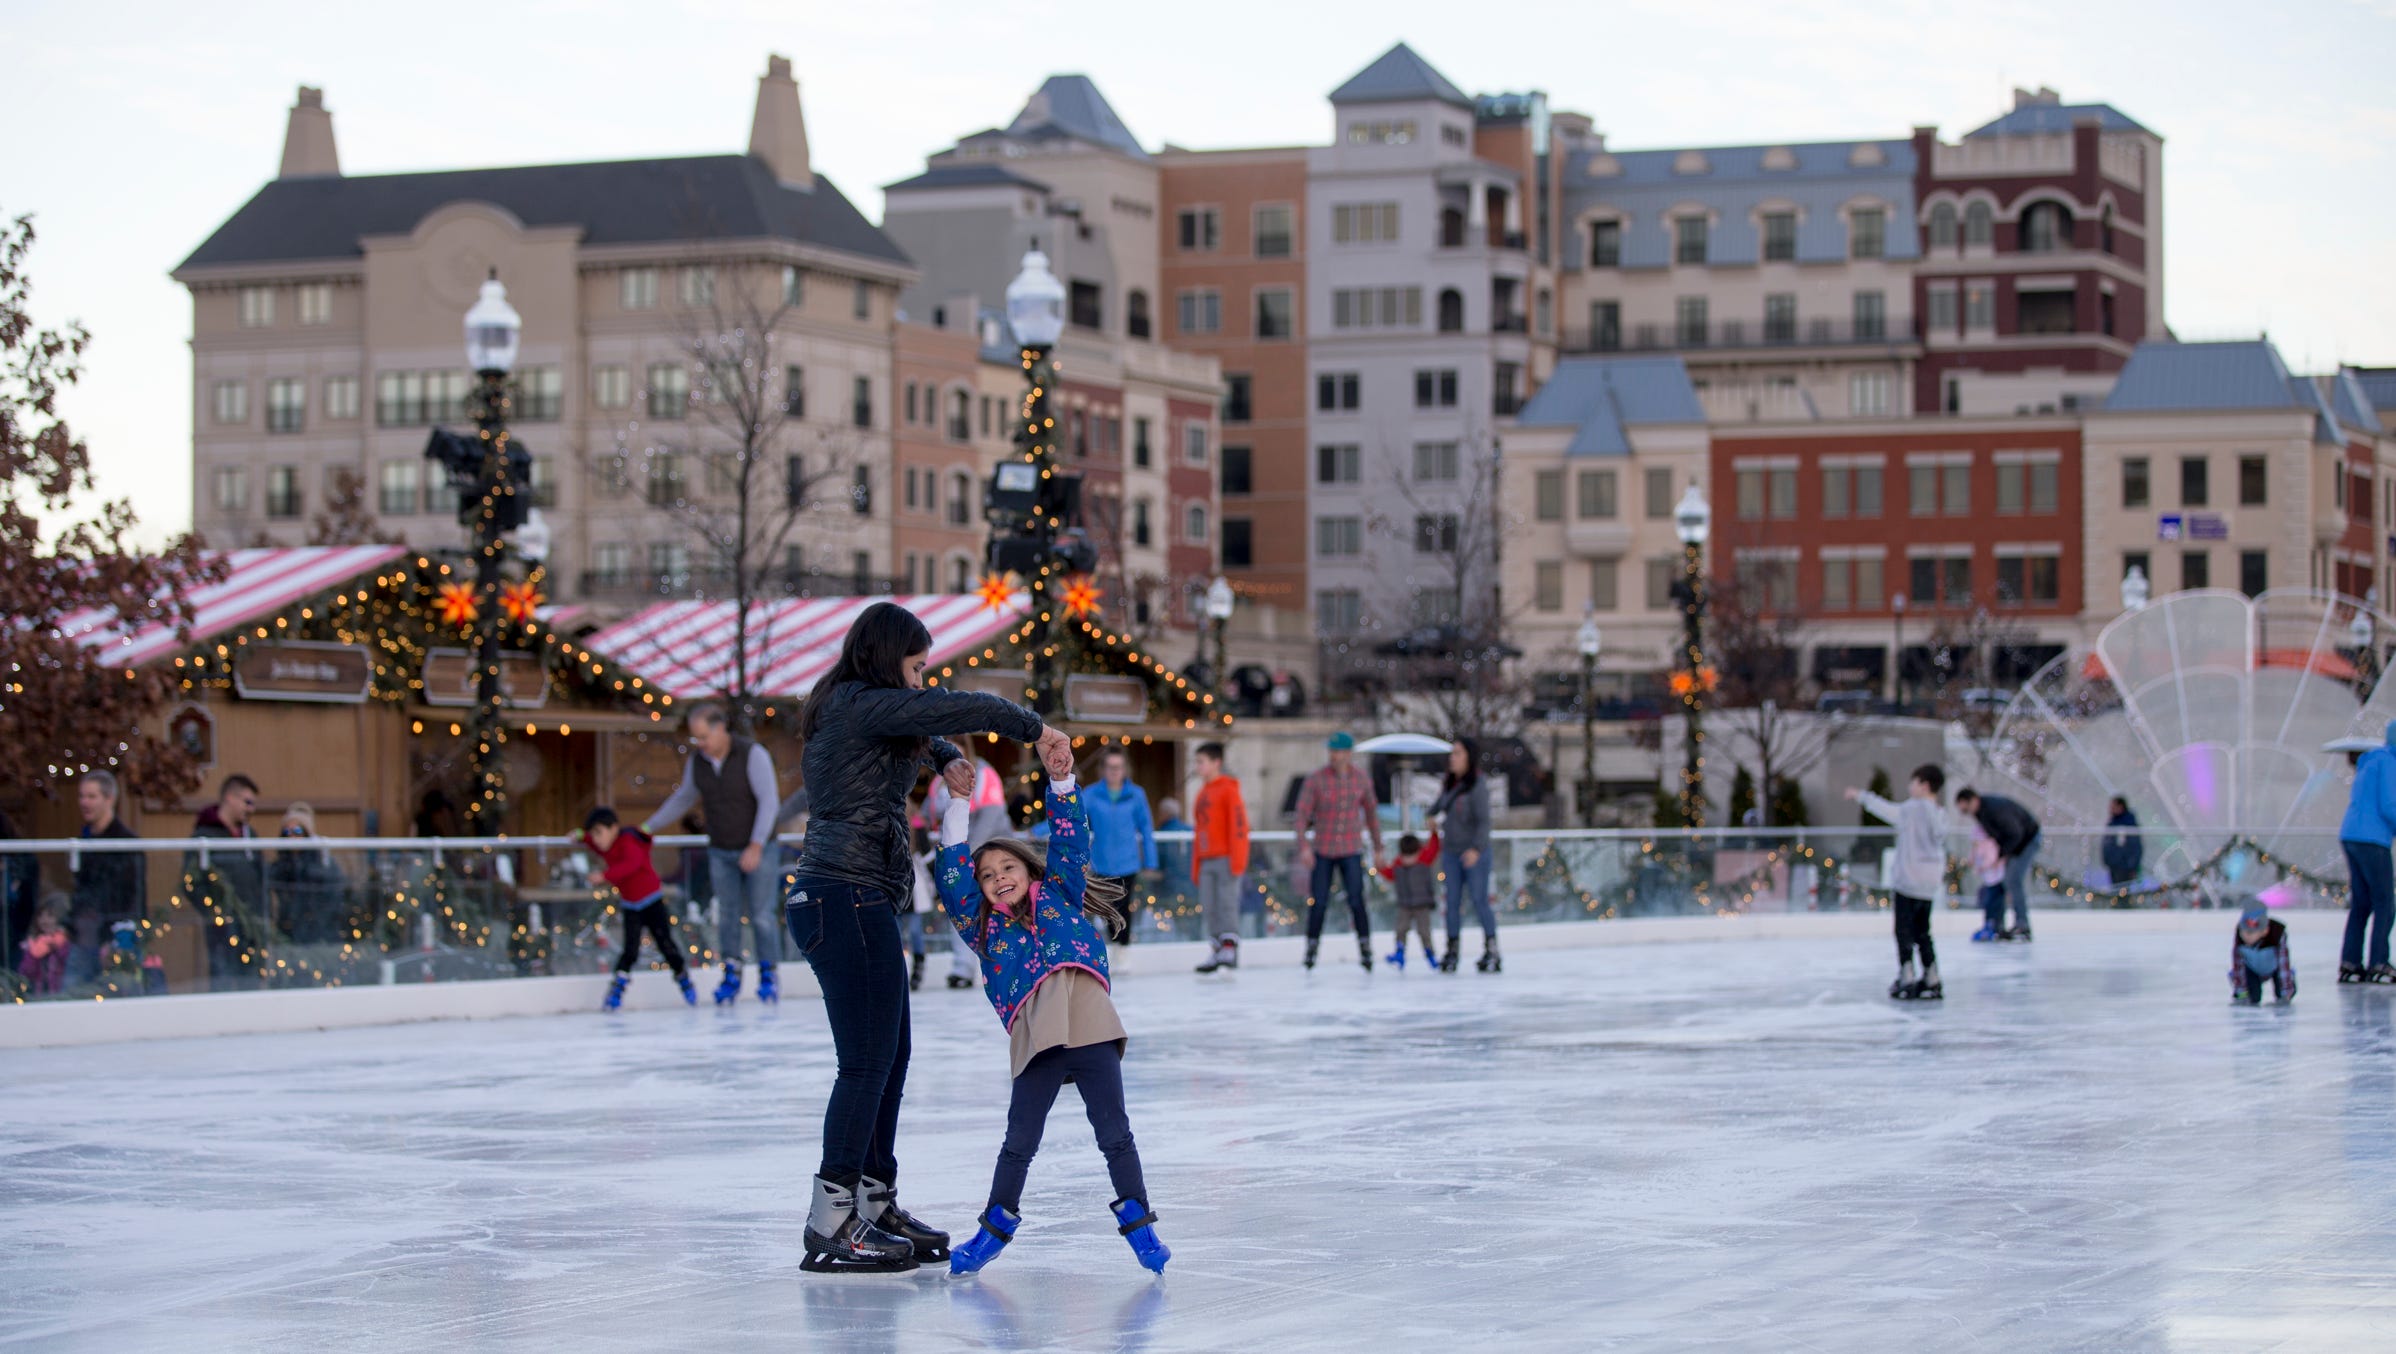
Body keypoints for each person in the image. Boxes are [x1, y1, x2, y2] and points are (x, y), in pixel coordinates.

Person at [787, 601, 1067, 1275]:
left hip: (856, 897)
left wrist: (943, 758)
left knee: (891, 1055)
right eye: (915, 667)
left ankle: (874, 1202)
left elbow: (922, 728)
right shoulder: (863, 703)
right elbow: (945, 709)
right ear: (889, 661)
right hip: (842, 896)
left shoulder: (858, 707)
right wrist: (1033, 727)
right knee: (865, 1062)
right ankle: (832, 1216)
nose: (921, 680)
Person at [936, 743, 1170, 1278]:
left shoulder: (1061, 892)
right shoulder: (983, 928)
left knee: (1114, 1131)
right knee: (1019, 1140)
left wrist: (1062, 782)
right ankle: (995, 1226)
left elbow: (1071, 840)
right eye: (988, 874)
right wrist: (957, 805)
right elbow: (952, 877)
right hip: (1037, 1032)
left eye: (1006, 865)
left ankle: (1139, 1219)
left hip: (1088, 1019)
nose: (998, 877)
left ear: (1027, 867)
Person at [643, 703, 784, 1006]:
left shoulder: (752, 754)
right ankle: (731, 974)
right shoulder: (699, 762)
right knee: (728, 916)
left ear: (720, 729)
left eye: (704, 736)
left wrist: (757, 845)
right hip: (721, 849)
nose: (701, 744)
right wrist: (648, 826)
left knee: (761, 915)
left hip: (759, 847)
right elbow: (683, 798)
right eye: (696, 738)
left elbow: (769, 802)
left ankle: (768, 974)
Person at [581, 807, 697, 1010]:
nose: (596, 839)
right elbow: (597, 846)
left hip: (651, 901)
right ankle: (617, 988)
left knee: (665, 943)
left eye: (599, 833)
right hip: (631, 904)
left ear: (613, 829)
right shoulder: (608, 845)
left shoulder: (628, 842)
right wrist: (583, 837)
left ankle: (683, 977)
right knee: (630, 949)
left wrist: (604, 876)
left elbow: (631, 864)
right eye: (594, 834)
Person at [1849, 764, 1948, 1000]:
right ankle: (1932, 975)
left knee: (1904, 930)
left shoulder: (1914, 809)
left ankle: (1907, 974)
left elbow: (1887, 811)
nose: (1909, 787)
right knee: (1923, 931)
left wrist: (1861, 796)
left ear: (1924, 785)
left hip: (1909, 879)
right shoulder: (1940, 813)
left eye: (1913, 783)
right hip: (1929, 881)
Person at [1293, 731, 1385, 972]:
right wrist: (1304, 846)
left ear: (1348, 753)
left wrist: (1378, 847)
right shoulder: (1316, 779)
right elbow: (1301, 815)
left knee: (1357, 899)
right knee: (1319, 901)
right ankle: (1311, 948)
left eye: (1338, 751)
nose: (1333, 756)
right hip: (1323, 849)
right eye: (1331, 751)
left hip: (1351, 848)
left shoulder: (1361, 779)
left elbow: (1373, 816)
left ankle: (1365, 947)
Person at [68, 770, 143, 988]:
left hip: (113, 940)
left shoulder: (126, 843)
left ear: (109, 798)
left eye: (92, 796)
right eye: (82, 796)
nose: (84, 802)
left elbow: (132, 897)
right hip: (83, 937)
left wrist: (116, 940)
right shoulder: (83, 840)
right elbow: (81, 890)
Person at [1429, 739, 1499, 974]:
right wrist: (1431, 815)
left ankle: (1492, 949)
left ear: (1469, 756)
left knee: (1480, 900)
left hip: (1474, 853)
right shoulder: (1450, 784)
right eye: (1452, 754)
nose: (1452, 758)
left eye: (1457, 753)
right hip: (1451, 851)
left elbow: (1484, 822)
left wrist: (1476, 849)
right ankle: (1452, 949)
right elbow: (1437, 806)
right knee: (1451, 903)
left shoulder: (1477, 784)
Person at [190, 773, 265, 990]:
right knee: (222, 981)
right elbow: (191, 882)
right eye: (247, 802)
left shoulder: (250, 837)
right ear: (230, 798)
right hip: (221, 928)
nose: (250, 809)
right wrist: (214, 912)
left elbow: (260, 879)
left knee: (251, 983)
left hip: (251, 927)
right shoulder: (204, 837)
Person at [2337, 722, 2396, 984]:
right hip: (2373, 839)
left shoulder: (2370, 761)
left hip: (2351, 835)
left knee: (2362, 903)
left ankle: (2350, 963)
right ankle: (2379, 963)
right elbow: (2390, 804)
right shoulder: (2389, 762)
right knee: (2385, 902)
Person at [1082, 748, 1158, 944]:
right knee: (1106, 908)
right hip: (1101, 862)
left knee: (1124, 908)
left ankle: (1123, 949)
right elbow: (1070, 817)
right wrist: (1037, 831)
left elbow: (1146, 829)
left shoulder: (1136, 794)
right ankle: (1112, 946)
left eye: (1119, 767)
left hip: (1128, 863)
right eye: (1110, 767)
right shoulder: (1091, 794)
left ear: (1126, 769)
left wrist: (1151, 862)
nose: (1115, 771)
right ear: (1103, 769)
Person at [1189, 742, 1250, 974]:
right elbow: (1199, 831)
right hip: (1206, 858)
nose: (1198, 766)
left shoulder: (1228, 790)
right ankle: (1215, 948)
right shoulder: (1202, 792)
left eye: (1201, 761)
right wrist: (1196, 863)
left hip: (1225, 857)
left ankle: (1229, 946)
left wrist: (1238, 858)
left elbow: (1238, 826)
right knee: (1210, 905)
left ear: (1216, 763)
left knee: (1227, 902)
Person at [1953, 787, 2040, 943]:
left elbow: (2015, 833)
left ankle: (2022, 924)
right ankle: (1997, 924)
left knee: (2012, 880)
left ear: (1972, 800)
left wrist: (2000, 856)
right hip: (2015, 843)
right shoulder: (1982, 813)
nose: (1966, 813)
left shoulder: (1993, 809)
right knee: (2001, 882)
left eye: (1965, 809)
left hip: (2027, 840)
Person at [269, 804, 348, 945]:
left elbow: (333, 900)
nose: (292, 837)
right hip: (288, 935)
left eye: (297, 831)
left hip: (319, 934)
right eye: (287, 832)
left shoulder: (324, 864)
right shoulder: (279, 867)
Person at [1378, 831, 1441, 970]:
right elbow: (1389, 874)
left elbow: (1435, 848)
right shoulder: (1398, 864)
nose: (1409, 860)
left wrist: (1434, 832)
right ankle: (1400, 952)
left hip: (1422, 904)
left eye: (1412, 856)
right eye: (1406, 856)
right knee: (1401, 929)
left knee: (1424, 931)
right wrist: (1380, 867)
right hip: (1405, 905)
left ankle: (1430, 953)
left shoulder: (1424, 859)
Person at [2230, 901, 2297, 1005]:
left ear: (2264, 931)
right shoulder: (2239, 937)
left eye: (2250, 933)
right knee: (2253, 998)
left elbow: (2283, 965)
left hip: (2275, 969)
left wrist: (2286, 993)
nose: (2245, 936)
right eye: (2243, 931)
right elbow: (2239, 967)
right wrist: (2241, 993)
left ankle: (2285, 991)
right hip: (2252, 970)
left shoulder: (2277, 934)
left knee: (2282, 994)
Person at [17, 894, 69, 996]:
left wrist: (55, 947)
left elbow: (70, 969)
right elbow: (25, 974)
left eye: (50, 916)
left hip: (63, 998)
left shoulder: (65, 942)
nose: (44, 921)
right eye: (40, 916)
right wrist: (33, 953)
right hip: (38, 998)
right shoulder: (31, 944)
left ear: (58, 919)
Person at [903, 824, 934, 992]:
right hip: (896, 891)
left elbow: (928, 856)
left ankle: (917, 973)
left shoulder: (917, 829)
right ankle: (900, 973)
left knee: (915, 933)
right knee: (897, 935)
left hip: (913, 892)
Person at [1967, 820, 2007, 943]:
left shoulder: (1990, 843)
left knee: (1995, 902)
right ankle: (1991, 925)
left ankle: (1995, 925)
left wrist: (1985, 865)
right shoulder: (1980, 844)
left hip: (1997, 877)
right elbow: (1975, 852)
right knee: (1990, 901)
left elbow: (1994, 858)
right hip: (1990, 878)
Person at [2102, 797, 2143, 890]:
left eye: (2113, 806)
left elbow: (2135, 847)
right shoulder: (2112, 823)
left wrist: (2131, 865)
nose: (2111, 808)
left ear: (2121, 806)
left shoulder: (2129, 824)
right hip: (2114, 866)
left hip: (2125, 867)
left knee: (2123, 894)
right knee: (2116, 893)